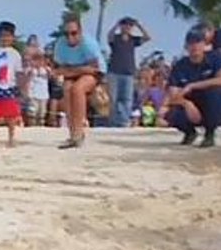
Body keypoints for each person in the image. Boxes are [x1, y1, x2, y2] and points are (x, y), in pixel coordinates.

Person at [166, 27, 221, 148]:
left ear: (204, 44)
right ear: (186, 46)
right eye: (191, 43)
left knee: (216, 92)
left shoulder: (215, 58)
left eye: (198, 42)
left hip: (209, 103)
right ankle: (189, 133)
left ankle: (209, 134)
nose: (194, 46)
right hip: (191, 105)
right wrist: (186, 104)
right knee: (172, 113)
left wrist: (192, 85)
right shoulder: (180, 65)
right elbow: (172, 94)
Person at [53, 14, 104, 149]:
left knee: (78, 89)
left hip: (94, 73)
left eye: (74, 33)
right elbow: (58, 69)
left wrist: (74, 70)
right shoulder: (60, 44)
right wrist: (80, 69)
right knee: (67, 89)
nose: (70, 37)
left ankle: (79, 130)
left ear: (80, 32)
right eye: (66, 34)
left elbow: (95, 68)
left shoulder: (88, 44)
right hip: (76, 72)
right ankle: (73, 134)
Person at [0, 20, 25, 148]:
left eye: (8, 36)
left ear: (13, 37)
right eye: (2, 35)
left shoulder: (16, 54)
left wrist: (20, 89)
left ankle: (11, 137)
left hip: (10, 86)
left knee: (11, 115)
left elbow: (18, 72)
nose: (5, 38)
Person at [106, 16, 151, 127]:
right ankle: (113, 121)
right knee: (113, 98)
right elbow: (109, 36)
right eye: (125, 25)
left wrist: (139, 25)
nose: (127, 27)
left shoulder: (133, 40)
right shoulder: (115, 38)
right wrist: (116, 25)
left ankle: (124, 121)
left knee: (127, 99)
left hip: (129, 73)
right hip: (114, 72)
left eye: (130, 25)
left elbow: (147, 37)